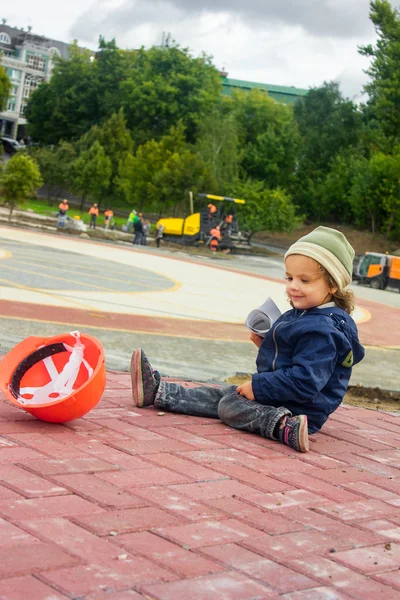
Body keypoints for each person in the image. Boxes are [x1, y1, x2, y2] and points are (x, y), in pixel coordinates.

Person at [130, 226, 365, 453]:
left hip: (299, 410)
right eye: (289, 277)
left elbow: (305, 382)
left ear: (333, 285)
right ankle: (158, 392)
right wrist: (269, 347)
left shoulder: (322, 329)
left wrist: (259, 387)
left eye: (304, 280)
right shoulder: (308, 313)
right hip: (283, 397)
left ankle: (284, 427)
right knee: (224, 394)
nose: (293, 287)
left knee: (230, 405)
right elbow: (297, 359)